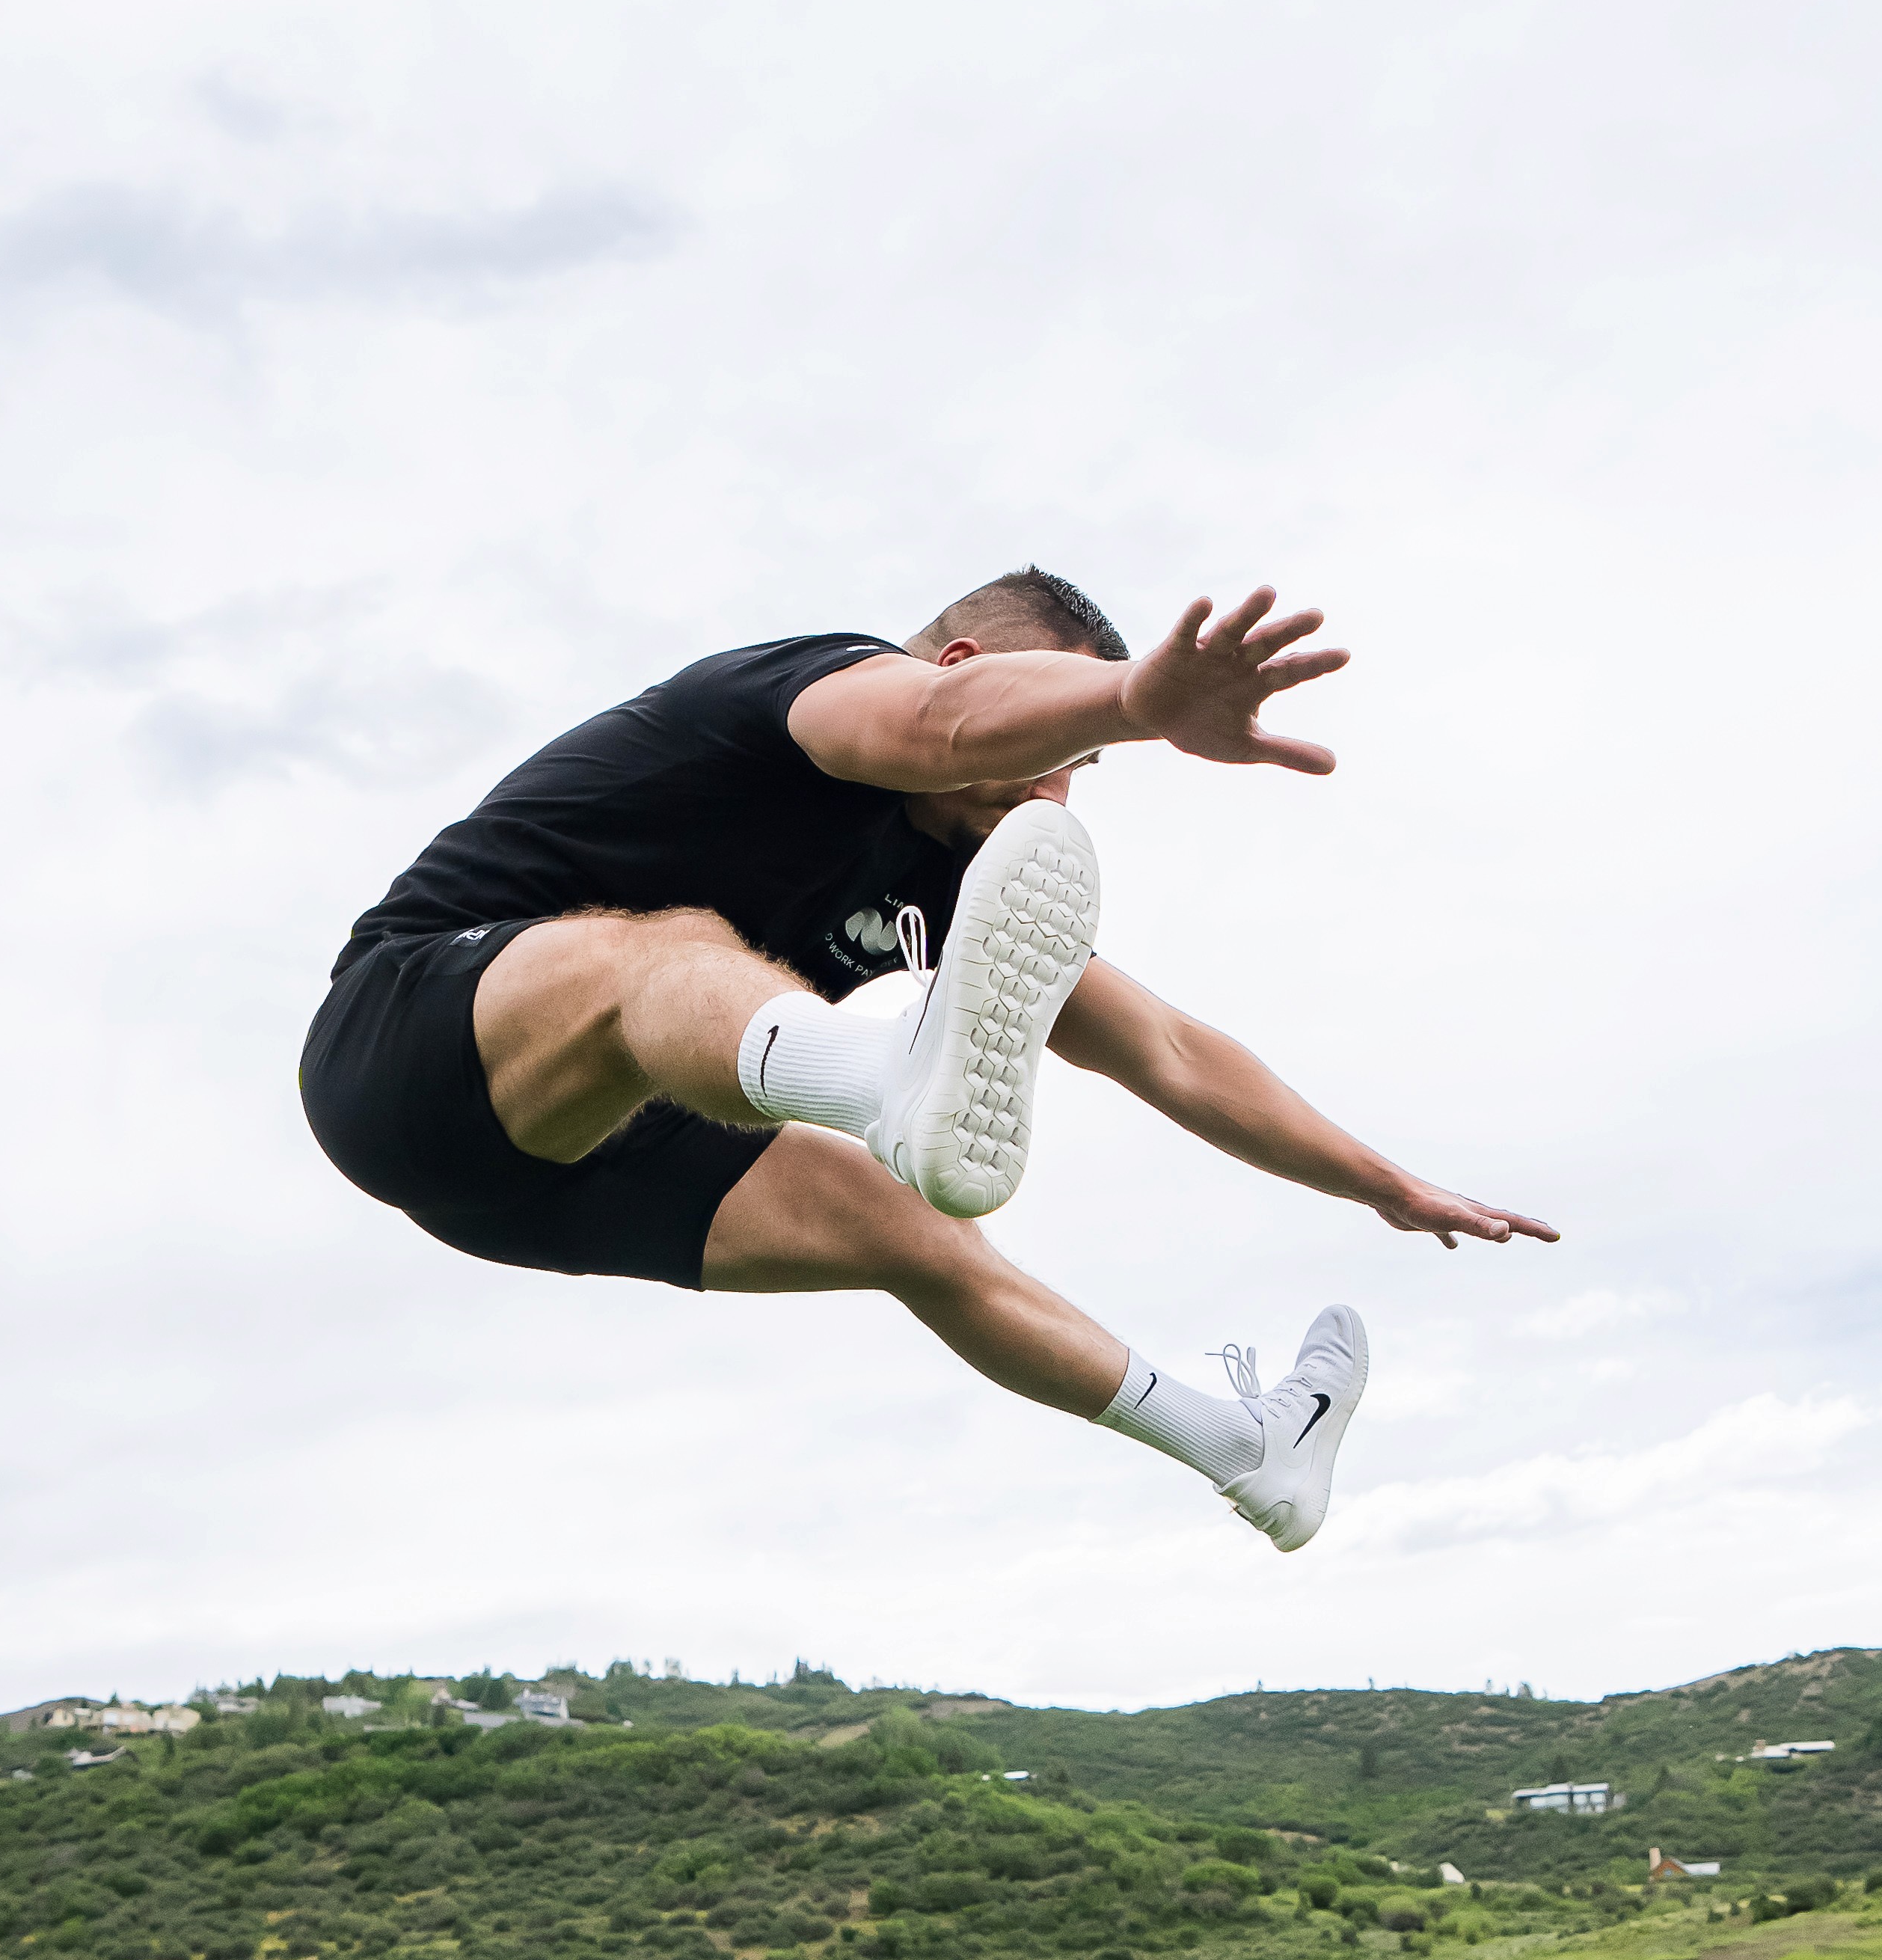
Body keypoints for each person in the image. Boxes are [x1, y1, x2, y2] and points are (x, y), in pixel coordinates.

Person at [299, 570, 1556, 1550]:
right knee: (668, 949)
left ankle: (1244, 1451)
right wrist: (1136, 700)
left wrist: (1379, 1184)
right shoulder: (799, 691)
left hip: (543, 1180)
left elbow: (1167, 1050)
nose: (1063, 797)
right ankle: (880, 1082)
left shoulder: (951, 874)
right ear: (970, 663)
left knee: (921, 1236)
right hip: (403, 1047)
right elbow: (940, 721)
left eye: (1089, 768)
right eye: (1065, 749)